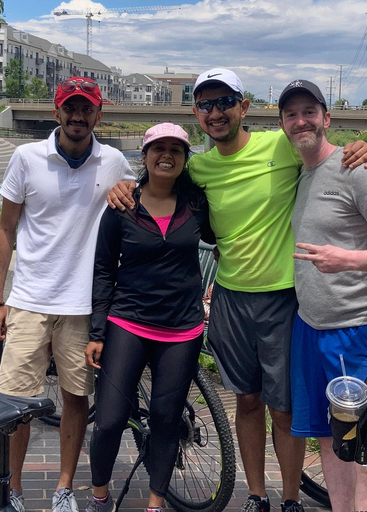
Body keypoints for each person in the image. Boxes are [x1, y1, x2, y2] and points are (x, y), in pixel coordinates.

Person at [107, 68, 367, 512]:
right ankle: (256, 495)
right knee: (247, 401)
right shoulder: (198, 166)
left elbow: (322, 150)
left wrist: (359, 148)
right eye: (206, 105)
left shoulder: (280, 146)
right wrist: (123, 185)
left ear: (243, 106)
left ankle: (290, 497)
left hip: (284, 297)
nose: (216, 113)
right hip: (231, 296)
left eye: (225, 102)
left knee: (283, 408)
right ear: (197, 113)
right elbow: (159, 179)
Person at [0, 77, 133, 512]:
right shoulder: (26, 158)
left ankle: (64, 487)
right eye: (70, 107)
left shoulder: (113, 162)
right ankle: (11, 488)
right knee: (15, 404)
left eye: (86, 108)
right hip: (29, 300)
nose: (77, 116)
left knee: (75, 398)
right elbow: (6, 229)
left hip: (81, 305)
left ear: (98, 114)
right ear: (56, 112)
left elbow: (144, 199)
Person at [277, 79, 367, 512]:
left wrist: (348, 259)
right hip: (312, 329)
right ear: (283, 124)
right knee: (331, 443)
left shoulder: (358, 169)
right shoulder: (300, 172)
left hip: (358, 331)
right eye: (291, 113)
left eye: (309, 111)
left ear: (327, 118)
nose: (300, 120)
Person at [85, 123, 214, 512]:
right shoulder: (122, 205)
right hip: (128, 322)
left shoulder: (197, 204)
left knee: (165, 417)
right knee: (108, 420)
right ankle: (99, 496)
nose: (167, 155)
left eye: (177, 149)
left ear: (184, 159)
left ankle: (155, 503)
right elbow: (104, 269)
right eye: (159, 148)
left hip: (182, 329)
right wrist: (97, 331)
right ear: (143, 156)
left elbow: (228, 241)